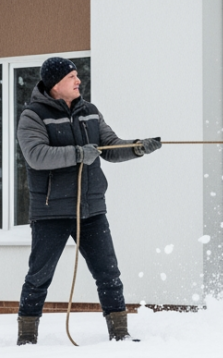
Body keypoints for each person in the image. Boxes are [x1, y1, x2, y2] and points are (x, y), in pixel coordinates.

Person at [14, 57, 163, 346]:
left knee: (109, 273)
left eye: (77, 75)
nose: (78, 80)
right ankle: (26, 338)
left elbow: (109, 147)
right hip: (51, 211)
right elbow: (37, 156)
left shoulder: (90, 112)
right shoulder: (33, 116)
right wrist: (79, 154)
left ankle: (119, 334)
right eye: (72, 76)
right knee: (39, 276)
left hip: (92, 209)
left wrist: (138, 147)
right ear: (56, 84)